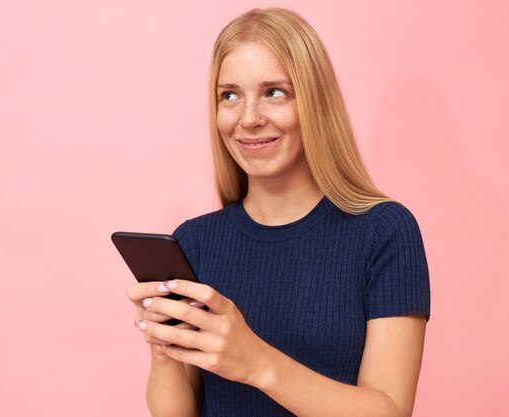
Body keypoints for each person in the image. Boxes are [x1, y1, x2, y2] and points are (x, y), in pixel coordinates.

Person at [126, 7, 430, 417]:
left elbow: (390, 411)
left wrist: (254, 361)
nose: (249, 119)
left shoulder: (384, 232)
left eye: (275, 92)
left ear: (315, 103)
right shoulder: (194, 242)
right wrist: (165, 349)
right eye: (229, 95)